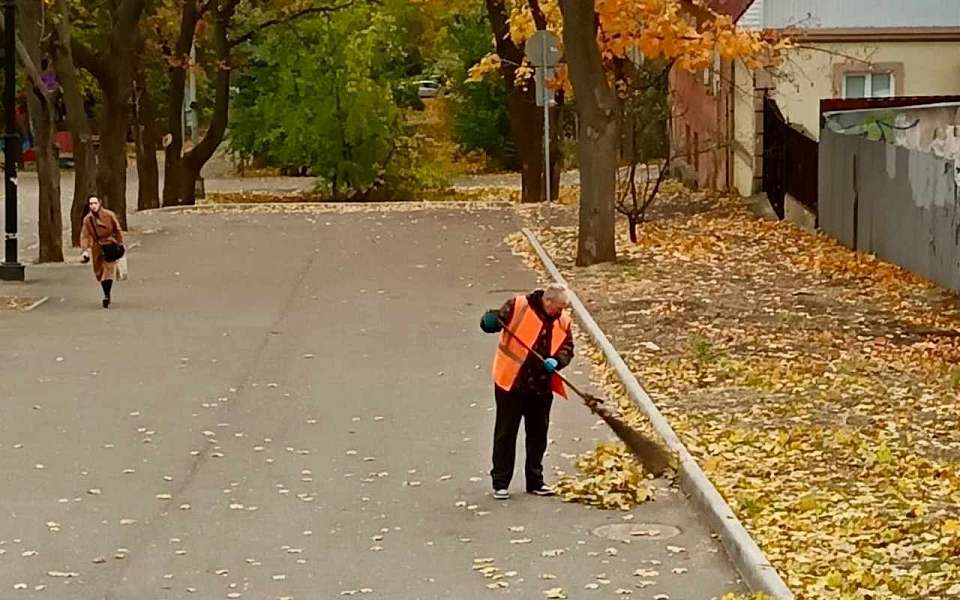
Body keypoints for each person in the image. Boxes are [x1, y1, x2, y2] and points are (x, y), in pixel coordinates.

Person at [480, 283, 574, 500]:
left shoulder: (563, 321)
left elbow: (567, 348)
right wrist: (489, 322)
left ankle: (535, 481)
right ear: (548, 301)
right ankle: (501, 482)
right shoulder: (518, 306)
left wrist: (557, 361)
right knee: (506, 433)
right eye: (558, 307)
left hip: (541, 386)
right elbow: (494, 322)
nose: (560, 312)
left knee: (538, 435)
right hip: (511, 382)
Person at [80, 196, 124, 308]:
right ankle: (106, 292)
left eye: (95, 203)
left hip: (109, 245)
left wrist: (120, 244)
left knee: (108, 271)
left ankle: (106, 295)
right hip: (97, 247)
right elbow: (84, 235)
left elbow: (117, 229)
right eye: (90, 204)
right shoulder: (88, 220)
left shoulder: (109, 215)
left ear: (99, 203)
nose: (93, 206)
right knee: (99, 272)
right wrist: (85, 250)